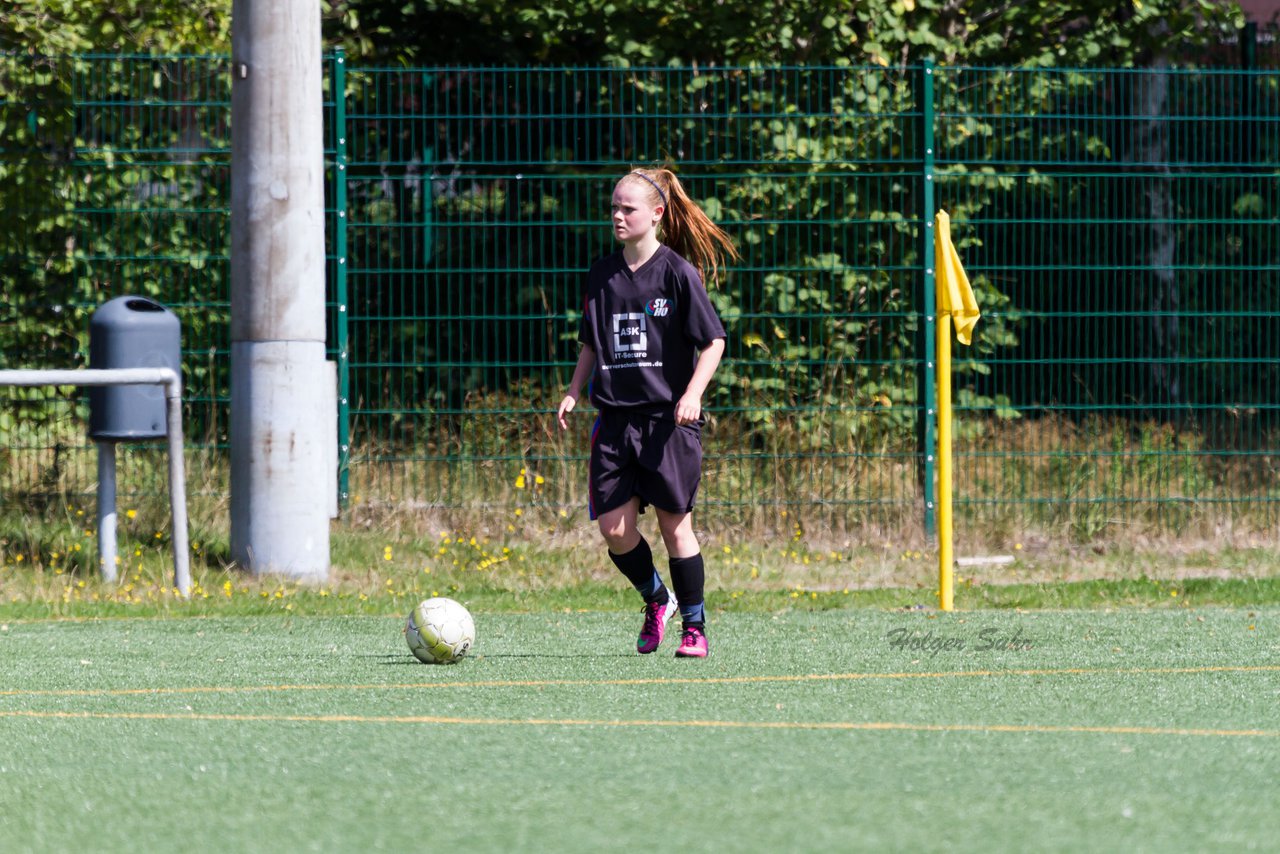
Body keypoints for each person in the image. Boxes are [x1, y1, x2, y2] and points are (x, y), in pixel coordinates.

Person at [557, 166, 737, 658]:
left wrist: (693, 393)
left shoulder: (677, 272)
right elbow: (591, 344)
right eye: (613, 207)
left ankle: (695, 628)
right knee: (614, 530)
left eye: (627, 208)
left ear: (655, 214)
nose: (617, 215)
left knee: (674, 526)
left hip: (666, 425)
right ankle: (658, 599)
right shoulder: (602, 274)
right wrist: (575, 389)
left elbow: (714, 341)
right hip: (615, 422)